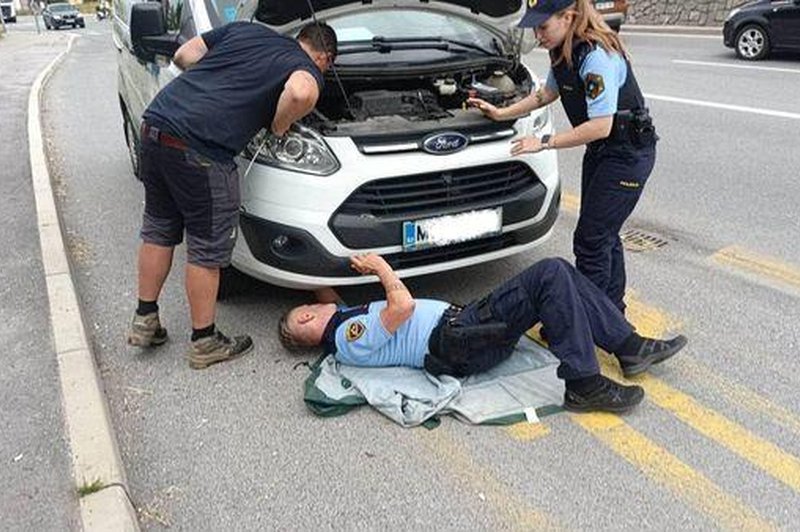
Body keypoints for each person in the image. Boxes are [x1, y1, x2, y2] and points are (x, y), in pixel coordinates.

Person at [127, 21, 338, 370]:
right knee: (206, 248)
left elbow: (183, 55)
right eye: (326, 67)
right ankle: (204, 340)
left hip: (156, 127)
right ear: (324, 58)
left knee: (159, 228)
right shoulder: (305, 68)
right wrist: (279, 125)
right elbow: (301, 94)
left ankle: (145, 319)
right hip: (201, 150)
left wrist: (220, 82)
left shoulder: (245, 30)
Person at [278, 255, 687, 414]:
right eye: (306, 313)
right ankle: (584, 383)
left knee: (557, 272)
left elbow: (324, 296)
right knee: (549, 274)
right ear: (308, 327)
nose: (315, 307)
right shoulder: (348, 334)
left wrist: (299, 272)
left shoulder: (341, 322)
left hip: (463, 333)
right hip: (459, 341)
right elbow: (400, 308)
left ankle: (629, 347)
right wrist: (381, 268)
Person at [469, 0, 658, 313]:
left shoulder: (596, 55)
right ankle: (611, 316)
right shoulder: (564, 51)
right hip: (604, 152)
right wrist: (502, 113)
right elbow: (546, 94)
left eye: (543, 27)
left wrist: (543, 142)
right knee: (603, 237)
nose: (538, 35)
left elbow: (600, 126)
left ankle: (587, 322)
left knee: (591, 242)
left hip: (627, 155)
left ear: (568, 17)